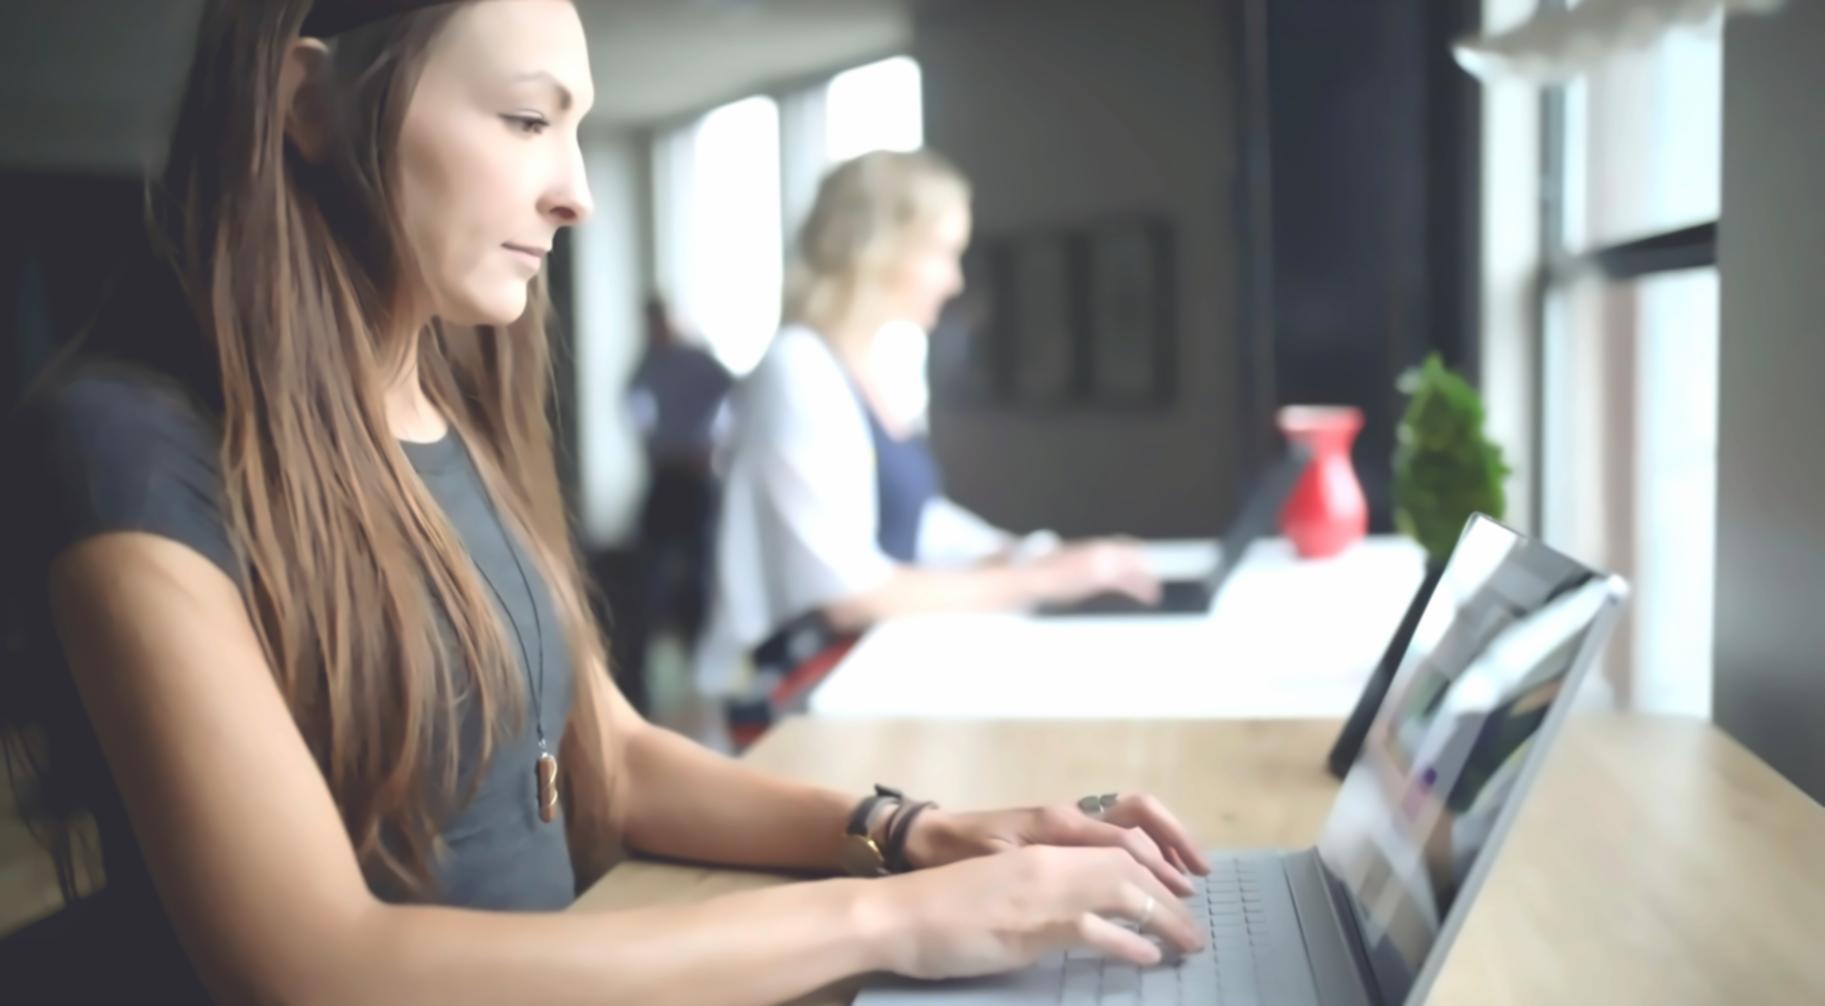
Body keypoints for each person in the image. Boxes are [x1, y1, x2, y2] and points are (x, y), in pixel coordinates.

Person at [0, 3, 1206, 1003]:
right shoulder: (125, 445)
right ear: (309, 106)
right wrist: (883, 921)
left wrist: (913, 832)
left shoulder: (448, 397)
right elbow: (324, 964)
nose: (573, 192)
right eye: (527, 120)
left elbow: (612, 757)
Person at [699, 150, 1163, 698]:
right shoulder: (797, 368)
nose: (954, 280)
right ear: (877, 251)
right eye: (944, 253)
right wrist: (1045, 580)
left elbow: (914, 522)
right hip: (786, 709)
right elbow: (850, 594)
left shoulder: (869, 367)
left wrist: (1029, 553)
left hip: (856, 689)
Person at [626, 292, 731, 646]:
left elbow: (733, 395)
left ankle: (699, 637)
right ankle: (653, 636)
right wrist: (648, 444)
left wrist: (713, 442)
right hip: (665, 472)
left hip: (697, 472)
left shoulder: (697, 360)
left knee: (702, 561)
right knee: (651, 561)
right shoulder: (649, 362)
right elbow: (631, 403)